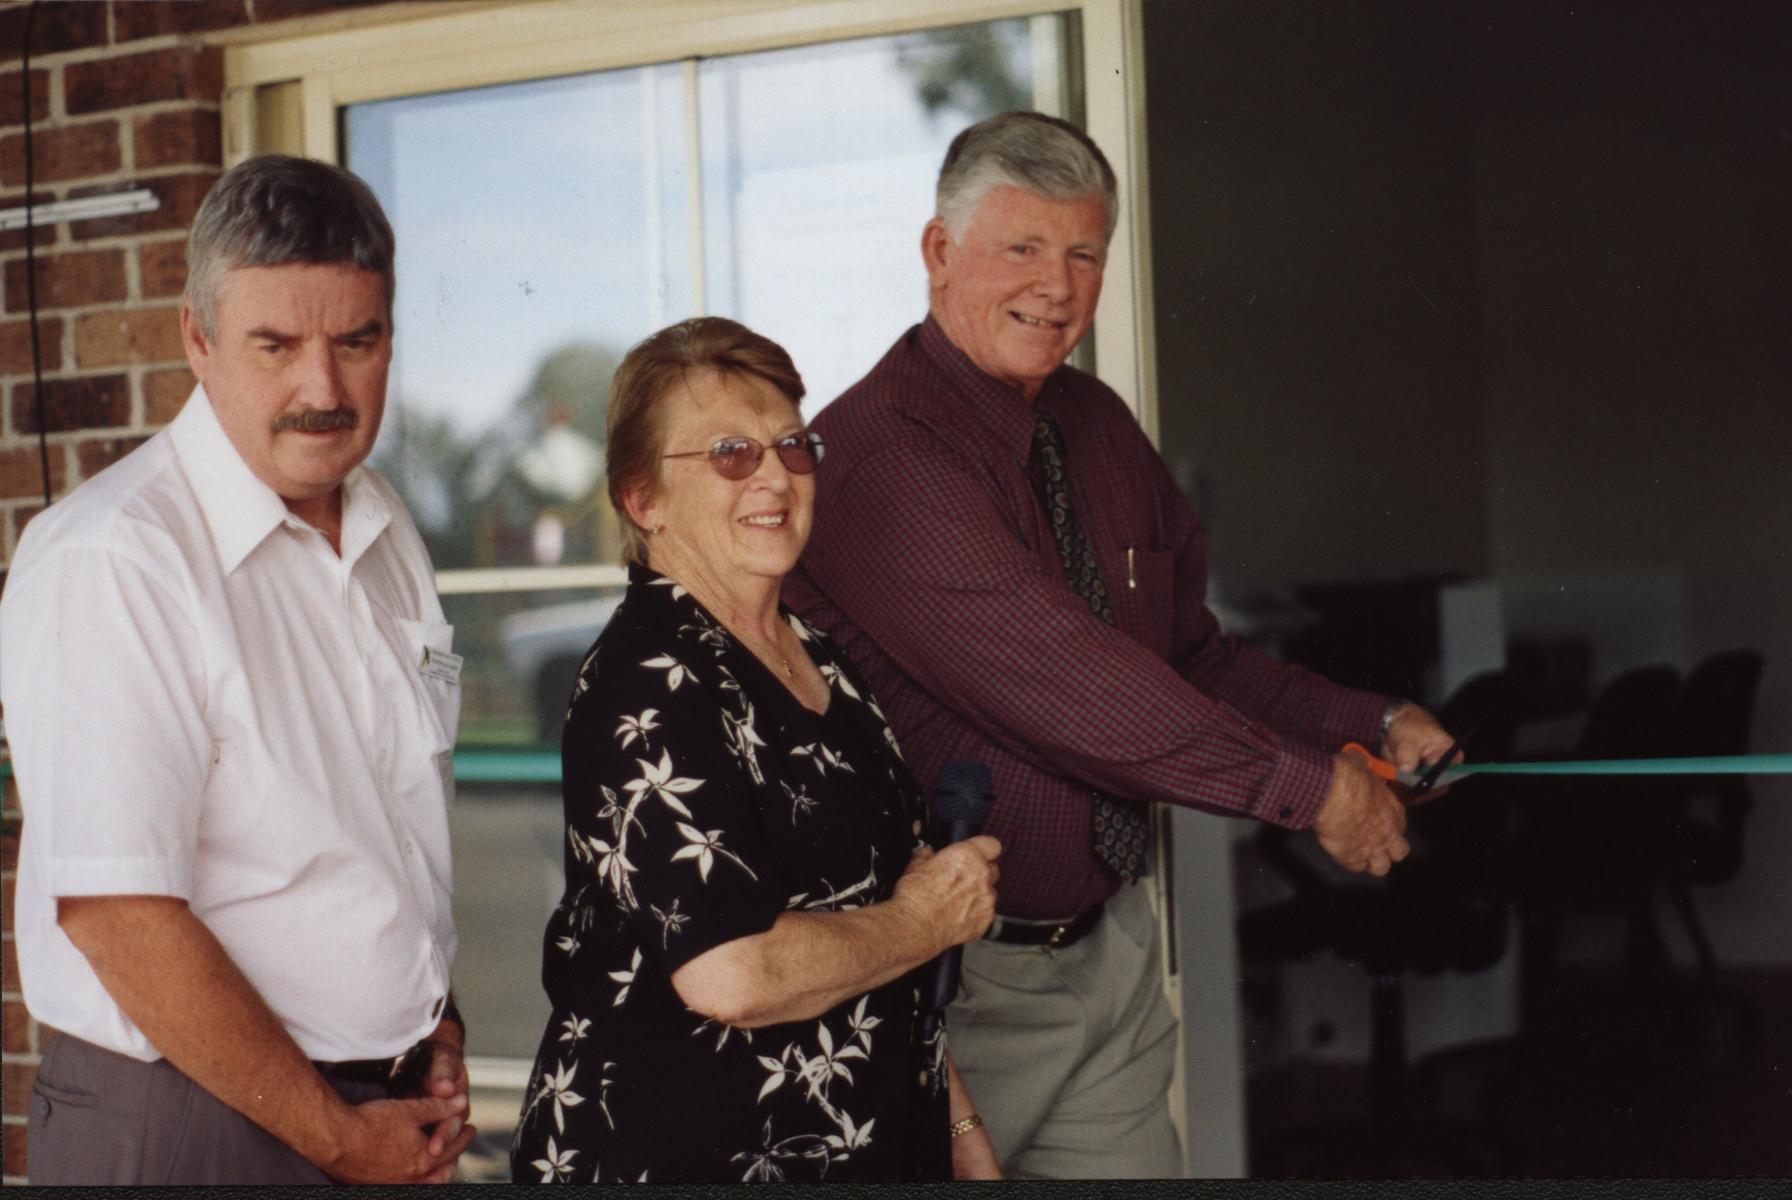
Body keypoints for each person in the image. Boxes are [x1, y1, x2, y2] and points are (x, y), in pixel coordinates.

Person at [784, 112, 1459, 1178]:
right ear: (937, 252)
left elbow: (1186, 655)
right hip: (954, 984)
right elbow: (1069, 685)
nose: (1056, 285)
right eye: (1021, 247)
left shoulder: (1095, 425)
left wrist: (1365, 722)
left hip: (1110, 950)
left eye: (1083, 252)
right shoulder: (881, 455)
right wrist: (1315, 790)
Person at [0, 155, 473, 1185]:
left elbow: (378, 826)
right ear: (197, 339)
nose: (324, 389)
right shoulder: (115, 557)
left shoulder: (389, 531)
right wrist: (341, 1136)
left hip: (368, 1110)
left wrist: (429, 1024)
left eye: (358, 341)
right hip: (191, 1122)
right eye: (276, 345)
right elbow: (119, 915)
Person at [509, 317, 1003, 1183]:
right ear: (642, 499)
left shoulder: (819, 658)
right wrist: (928, 920)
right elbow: (731, 973)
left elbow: (892, 930)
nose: (775, 474)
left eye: (791, 445)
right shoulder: (648, 681)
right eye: (730, 452)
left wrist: (961, 1136)